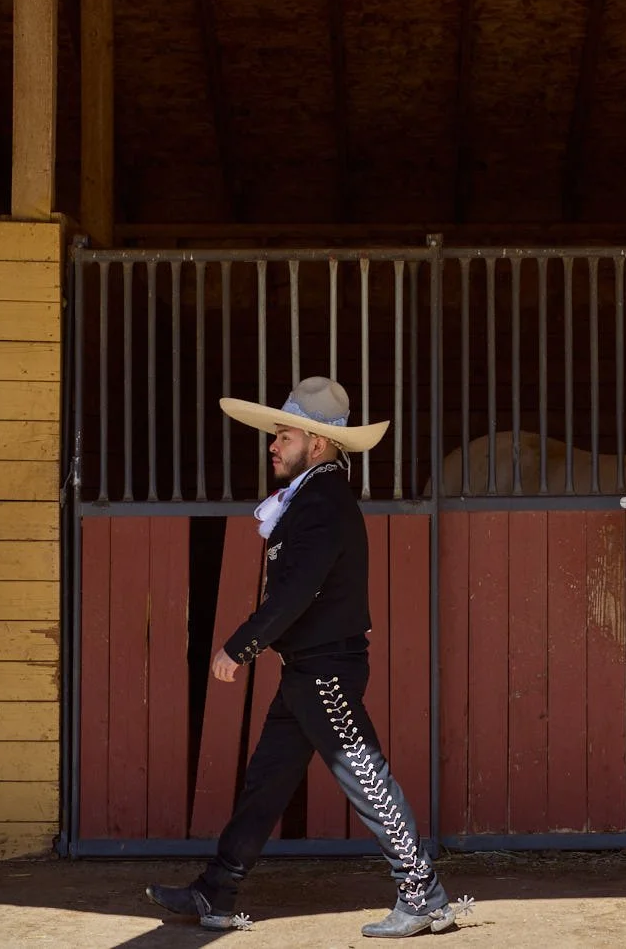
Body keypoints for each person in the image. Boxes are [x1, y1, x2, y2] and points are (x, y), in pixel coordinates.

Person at [146, 376, 471, 938]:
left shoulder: (320, 500)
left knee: (365, 775)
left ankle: (424, 896)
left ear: (316, 445)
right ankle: (215, 889)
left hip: (325, 670)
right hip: (308, 669)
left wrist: (238, 646)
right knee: (267, 781)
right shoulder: (312, 497)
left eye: (284, 434)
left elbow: (295, 592)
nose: (273, 443)